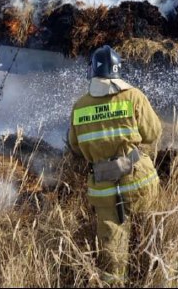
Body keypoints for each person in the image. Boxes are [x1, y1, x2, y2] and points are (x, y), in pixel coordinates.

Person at [68, 45, 162, 285]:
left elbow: (75, 147)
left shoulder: (80, 106)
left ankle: (115, 283)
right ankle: (154, 277)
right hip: (140, 179)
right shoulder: (133, 96)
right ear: (118, 71)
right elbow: (153, 133)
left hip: (104, 187)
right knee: (152, 233)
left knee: (112, 252)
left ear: (91, 72)